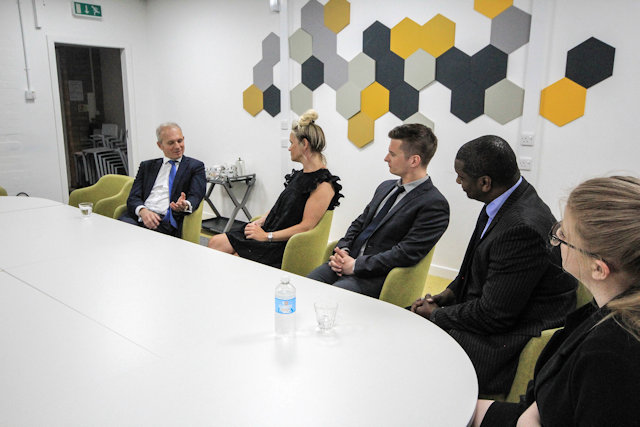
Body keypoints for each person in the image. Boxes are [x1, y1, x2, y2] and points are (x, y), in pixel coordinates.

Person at [411, 135, 576, 395]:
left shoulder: (522, 228)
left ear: (485, 182)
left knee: (416, 350)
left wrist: (437, 315)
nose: (457, 181)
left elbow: (495, 316)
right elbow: (474, 266)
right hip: (496, 311)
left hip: (509, 336)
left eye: (461, 176)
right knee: (407, 322)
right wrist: (448, 294)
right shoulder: (504, 198)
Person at [474, 176, 640, 426]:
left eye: (564, 235)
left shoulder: (611, 355)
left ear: (598, 269)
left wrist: (528, 420)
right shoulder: (607, 306)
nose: (556, 238)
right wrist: (532, 412)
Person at [307, 123, 450, 298]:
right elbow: (359, 223)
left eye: (392, 154)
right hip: (345, 263)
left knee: (332, 298)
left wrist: (355, 266)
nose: (385, 158)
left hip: (376, 276)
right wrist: (343, 249)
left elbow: (405, 253)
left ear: (414, 160)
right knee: (306, 287)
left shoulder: (434, 204)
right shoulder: (385, 187)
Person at [208, 109, 342, 268]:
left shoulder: (324, 185)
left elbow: (306, 226)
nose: (289, 148)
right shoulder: (299, 176)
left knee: (235, 259)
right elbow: (280, 209)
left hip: (279, 243)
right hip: (268, 232)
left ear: (304, 144)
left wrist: (266, 236)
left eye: (292, 143)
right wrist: (260, 222)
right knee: (215, 242)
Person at [119, 122, 206, 237]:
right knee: (117, 233)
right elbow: (133, 197)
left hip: (164, 221)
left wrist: (185, 204)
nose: (177, 146)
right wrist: (142, 211)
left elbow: (196, 195)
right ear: (160, 145)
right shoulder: (147, 166)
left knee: (139, 239)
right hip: (139, 216)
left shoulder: (195, 166)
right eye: (171, 143)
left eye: (180, 141)